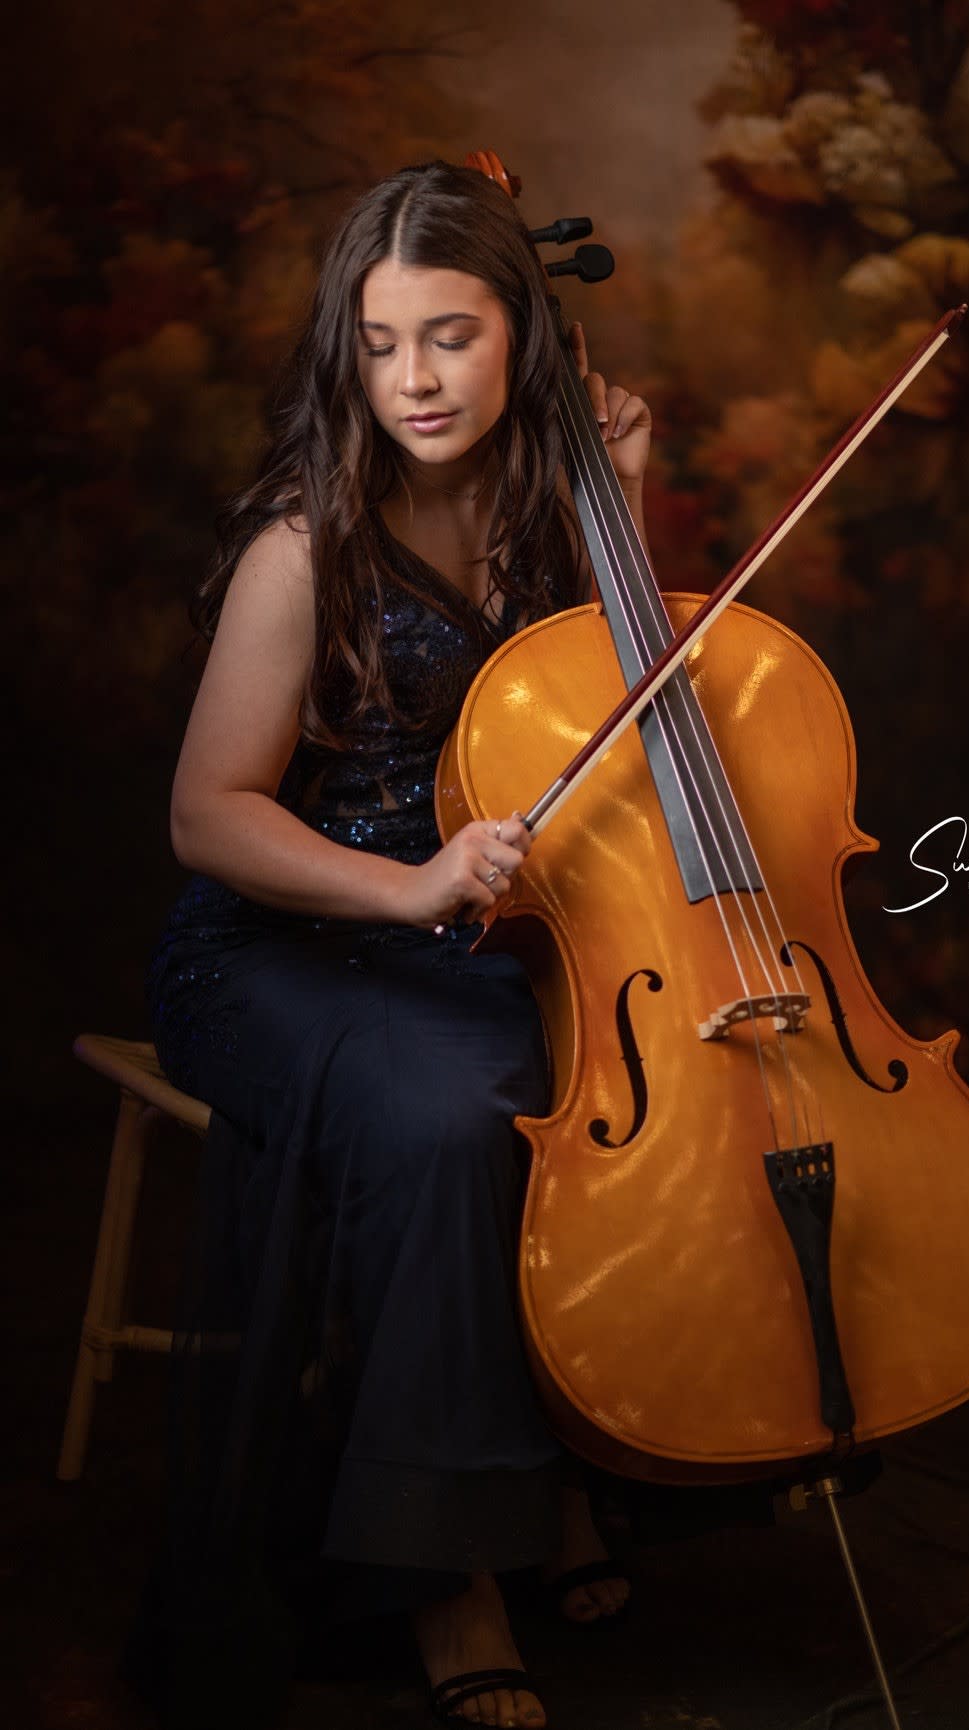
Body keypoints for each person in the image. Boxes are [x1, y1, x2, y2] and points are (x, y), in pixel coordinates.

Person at [130, 160, 653, 1730]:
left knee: (579, 1075)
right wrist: (412, 886)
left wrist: (628, 496)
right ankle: (445, 1575)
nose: (415, 379)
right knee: (448, 1116)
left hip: (469, 941)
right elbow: (209, 816)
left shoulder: (559, 509)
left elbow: (639, 727)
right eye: (380, 342)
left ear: (525, 342)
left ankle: (552, 1463)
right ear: (345, 352)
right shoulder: (310, 542)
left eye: (452, 335)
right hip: (284, 947)